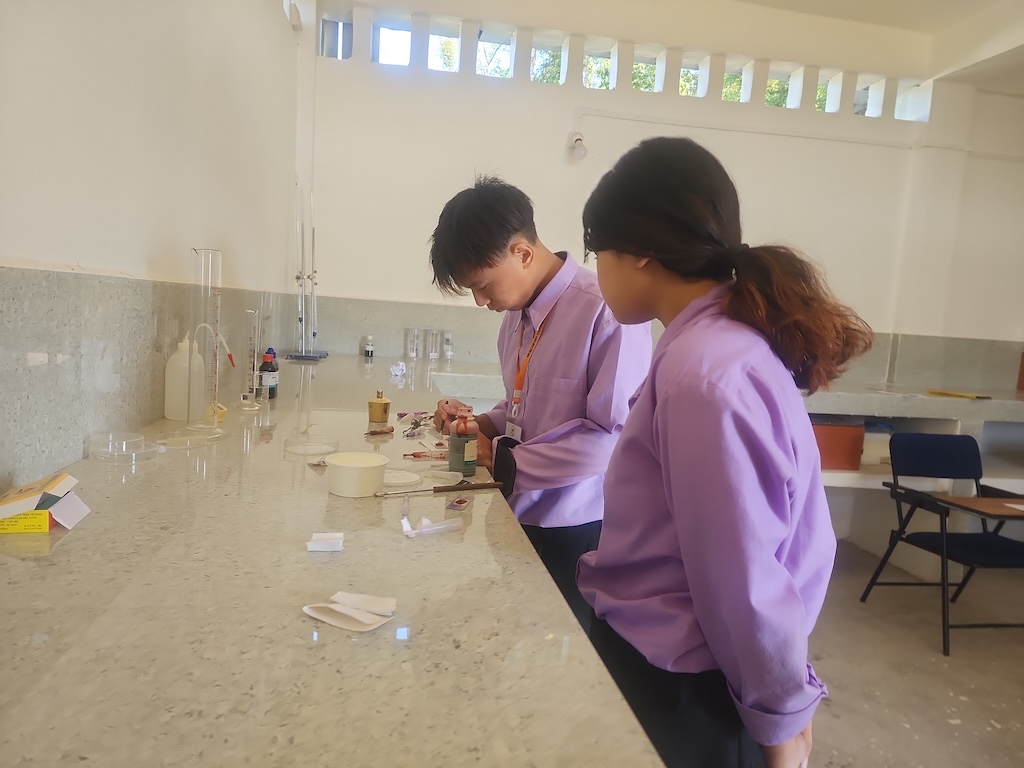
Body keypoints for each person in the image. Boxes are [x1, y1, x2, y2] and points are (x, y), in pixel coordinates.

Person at [575, 137, 873, 768]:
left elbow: (740, 579)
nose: (595, 271)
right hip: (685, 668)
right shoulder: (715, 347)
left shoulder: (702, 372)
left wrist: (781, 721)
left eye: (597, 252)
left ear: (641, 251)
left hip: (687, 686)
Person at [429, 175, 652, 630]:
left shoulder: (605, 310)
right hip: (516, 512)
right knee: (519, 640)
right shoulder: (515, 317)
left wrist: (503, 460)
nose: (480, 301)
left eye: (483, 285)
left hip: (576, 526)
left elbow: (613, 438)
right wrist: (479, 425)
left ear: (523, 253)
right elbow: (523, 410)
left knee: (564, 648)